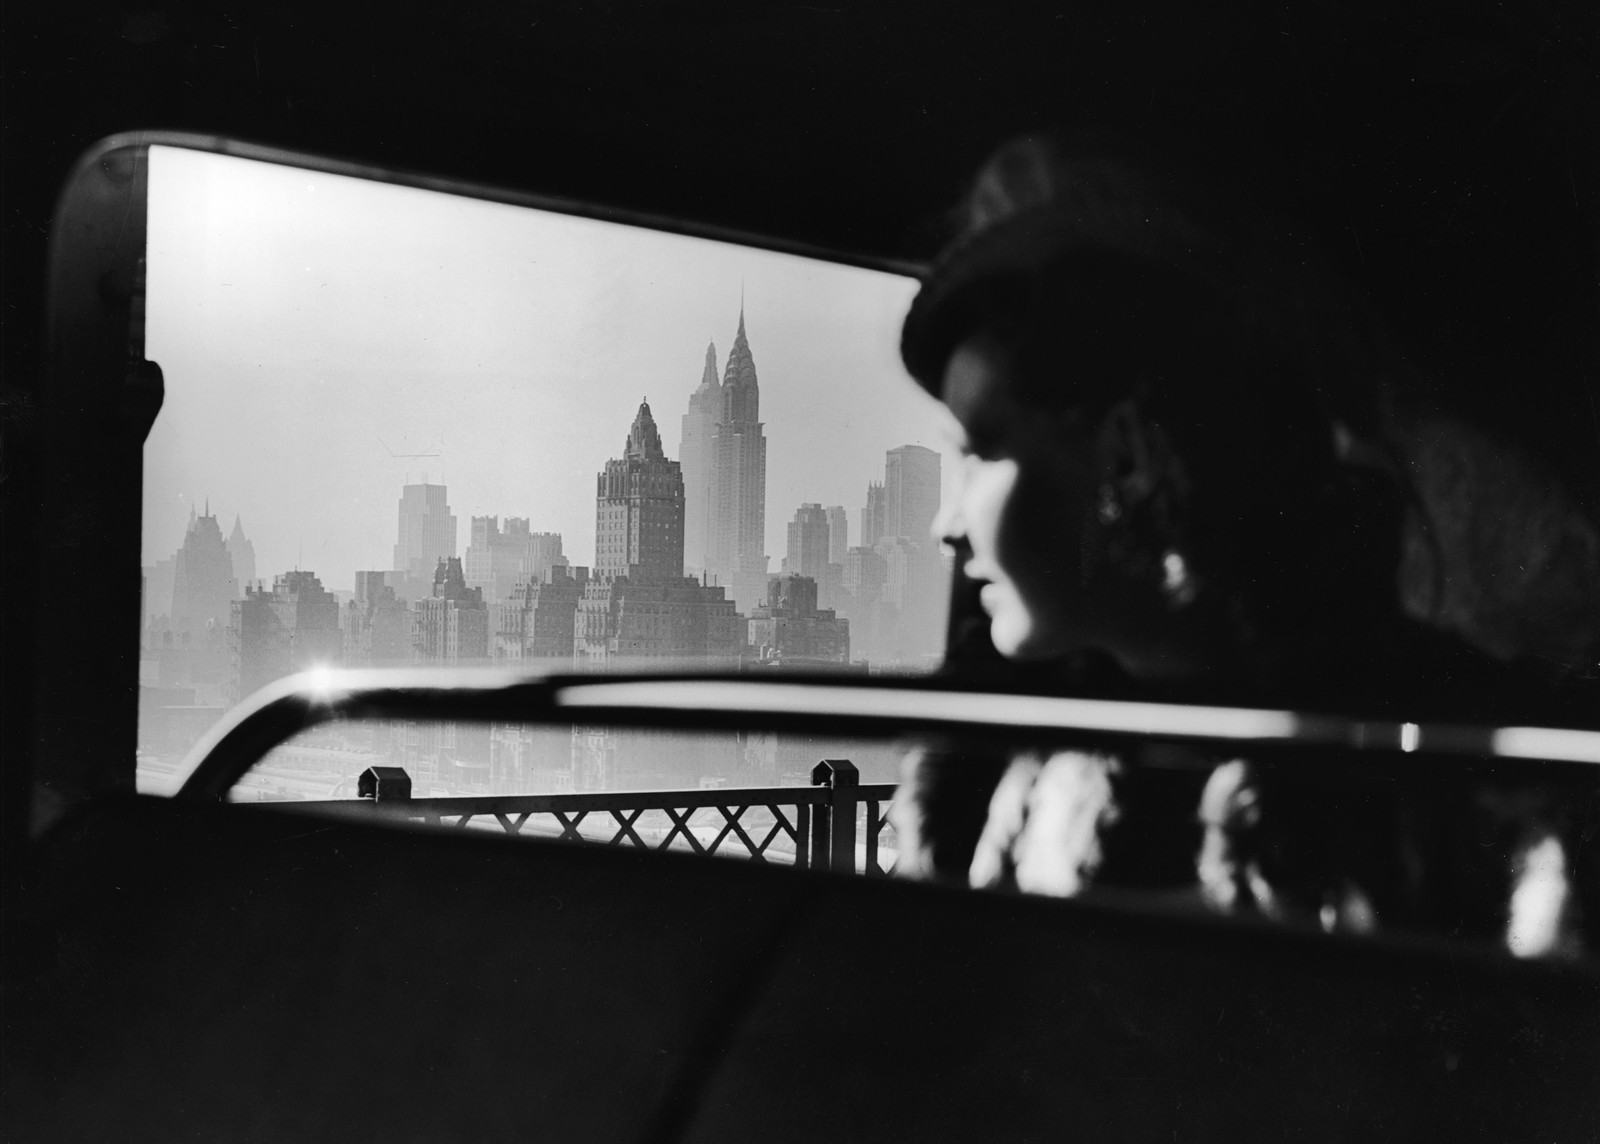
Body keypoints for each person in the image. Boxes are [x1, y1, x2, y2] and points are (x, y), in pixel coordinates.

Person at [890, 133, 1598, 953]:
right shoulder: (1014, 774)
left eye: (980, 452)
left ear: (1132, 455)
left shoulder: (1479, 791)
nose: (947, 524)